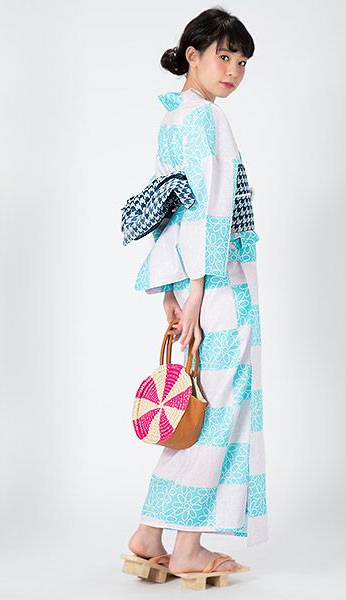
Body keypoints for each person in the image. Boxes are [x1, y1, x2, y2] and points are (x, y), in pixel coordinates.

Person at [126, 7, 268, 575]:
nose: (233, 70)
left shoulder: (175, 117)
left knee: (194, 406)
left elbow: (171, 209)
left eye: (242, 61)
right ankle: (187, 548)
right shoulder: (205, 119)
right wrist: (200, 291)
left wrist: (174, 287)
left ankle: (149, 535)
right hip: (217, 282)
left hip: (193, 279)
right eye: (223, 56)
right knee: (216, 411)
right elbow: (207, 212)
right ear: (193, 55)